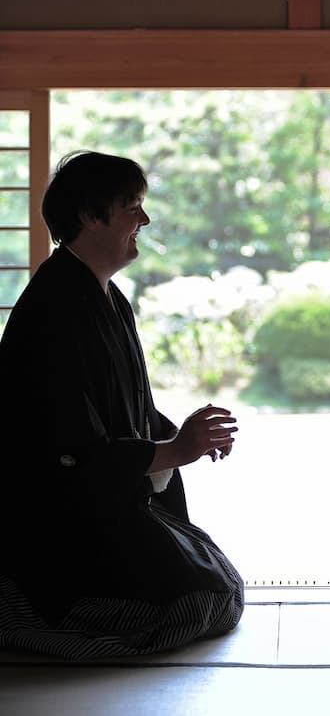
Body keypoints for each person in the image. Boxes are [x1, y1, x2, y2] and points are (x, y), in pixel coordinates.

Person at [0, 151, 244, 660]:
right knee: (196, 601)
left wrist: (184, 441)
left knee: (218, 585)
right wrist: (172, 451)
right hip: (62, 521)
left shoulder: (106, 296)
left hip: (109, 498)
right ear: (90, 217)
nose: (145, 220)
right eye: (132, 207)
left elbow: (130, 408)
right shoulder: (53, 310)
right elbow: (68, 449)